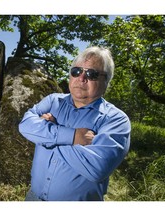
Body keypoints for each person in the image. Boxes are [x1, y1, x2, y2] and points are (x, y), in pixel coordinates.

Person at [19, 46, 131, 201]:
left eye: (91, 74)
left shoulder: (116, 119)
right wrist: (74, 136)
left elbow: (96, 168)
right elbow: (24, 125)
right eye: (76, 71)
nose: (81, 78)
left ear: (106, 82)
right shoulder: (53, 101)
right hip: (33, 198)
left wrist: (46, 134)